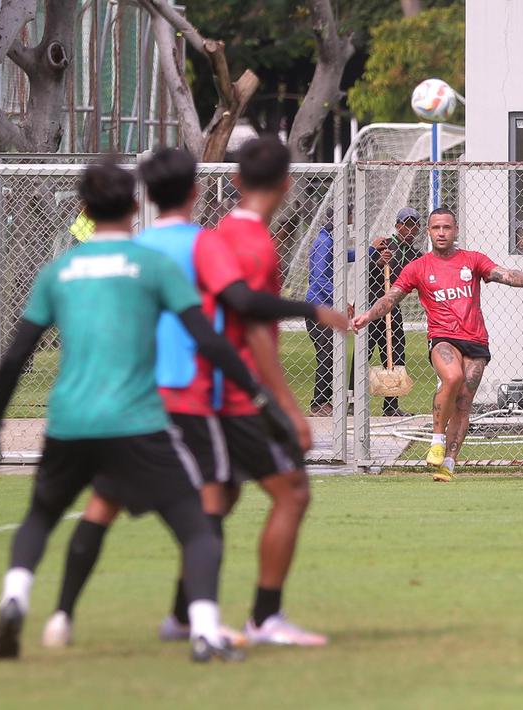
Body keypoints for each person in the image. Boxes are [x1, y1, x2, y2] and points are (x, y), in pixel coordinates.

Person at [0, 159, 299, 663]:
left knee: (40, 516)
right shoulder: (152, 266)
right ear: (133, 203)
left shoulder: (60, 271)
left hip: (69, 422)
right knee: (196, 523)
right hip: (139, 421)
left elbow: (15, 355)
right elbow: (208, 339)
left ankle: (16, 595)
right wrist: (259, 400)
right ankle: (204, 630)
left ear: (84, 208)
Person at [38, 147, 349, 649]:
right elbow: (249, 324)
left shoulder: (213, 234)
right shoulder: (246, 243)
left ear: (230, 179)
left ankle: (172, 616)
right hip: (227, 395)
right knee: (290, 492)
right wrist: (286, 405)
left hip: (177, 388)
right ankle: (262, 618)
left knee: (196, 496)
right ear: (289, 184)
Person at [351, 207, 523, 481]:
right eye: (436, 228)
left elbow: (505, 274)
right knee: (452, 376)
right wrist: (368, 315)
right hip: (443, 338)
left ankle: (449, 462)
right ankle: (436, 441)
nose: (441, 232)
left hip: (475, 341)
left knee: (463, 403)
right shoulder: (419, 267)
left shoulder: (472, 260)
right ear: (428, 231)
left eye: (446, 227)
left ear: (455, 230)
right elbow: (391, 297)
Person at [357, 207, 426, 417]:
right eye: (406, 224)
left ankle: (391, 406)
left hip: (393, 310)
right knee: (363, 353)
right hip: (372, 306)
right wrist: (377, 262)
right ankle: (352, 401)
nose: (410, 229)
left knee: (395, 354)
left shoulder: (416, 255)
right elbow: (362, 273)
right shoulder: (384, 245)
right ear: (398, 226)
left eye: (414, 225)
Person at [305, 206, 357, 416]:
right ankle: (319, 403)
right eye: (350, 218)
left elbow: (346, 255)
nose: (351, 222)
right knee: (328, 354)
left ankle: (325, 400)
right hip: (319, 308)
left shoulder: (331, 240)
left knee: (332, 353)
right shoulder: (324, 243)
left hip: (325, 307)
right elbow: (319, 279)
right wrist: (341, 300)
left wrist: (370, 249)